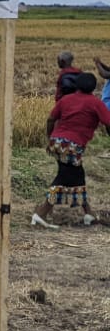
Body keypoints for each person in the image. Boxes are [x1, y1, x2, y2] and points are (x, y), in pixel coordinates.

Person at [31, 72, 110, 228]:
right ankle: (41, 213)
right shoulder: (95, 103)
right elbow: (108, 122)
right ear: (93, 88)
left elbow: (51, 119)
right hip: (73, 146)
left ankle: (88, 214)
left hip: (57, 142)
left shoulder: (66, 100)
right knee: (63, 178)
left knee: (77, 176)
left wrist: (50, 137)